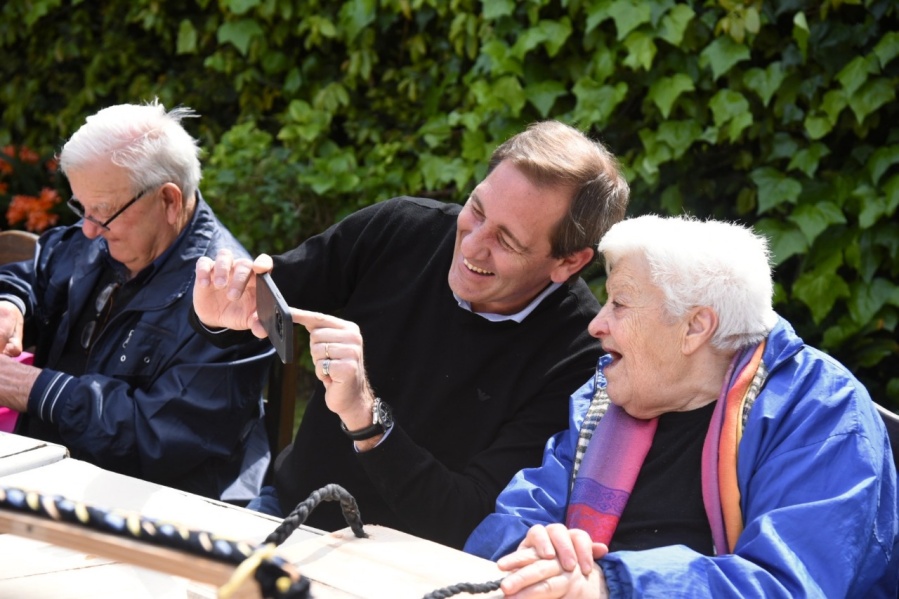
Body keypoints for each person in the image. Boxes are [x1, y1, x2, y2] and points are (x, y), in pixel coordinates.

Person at [191, 120, 630, 548]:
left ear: (569, 263)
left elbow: (471, 521)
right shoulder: (403, 228)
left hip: (414, 568)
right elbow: (262, 305)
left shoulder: (577, 355)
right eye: (476, 210)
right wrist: (220, 312)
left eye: (508, 241)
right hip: (290, 512)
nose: (473, 245)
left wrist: (367, 419)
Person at [464, 214, 899, 597]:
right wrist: (533, 550)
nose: (596, 324)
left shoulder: (823, 411)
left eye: (619, 303)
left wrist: (608, 585)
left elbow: (787, 584)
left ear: (695, 327)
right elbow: (512, 520)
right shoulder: (606, 394)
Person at [0, 100, 275, 502]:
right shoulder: (106, 235)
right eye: (82, 208)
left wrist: (36, 389)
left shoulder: (232, 299)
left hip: (155, 514)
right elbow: (36, 275)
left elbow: (160, 439)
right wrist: (11, 304)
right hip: (50, 477)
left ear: (169, 201)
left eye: (104, 213)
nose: (89, 230)